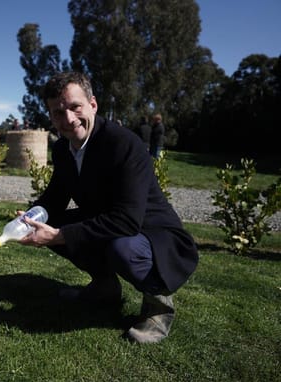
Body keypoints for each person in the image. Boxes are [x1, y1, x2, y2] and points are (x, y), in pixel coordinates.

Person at [19, 71, 198, 344]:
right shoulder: (63, 150)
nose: (68, 118)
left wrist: (58, 236)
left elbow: (127, 221)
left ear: (93, 104)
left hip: (153, 233)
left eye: (75, 106)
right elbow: (55, 197)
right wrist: (30, 219)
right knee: (58, 224)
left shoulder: (123, 144)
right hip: (109, 222)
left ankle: (158, 305)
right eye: (58, 112)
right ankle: (105, 288)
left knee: (120, 247)